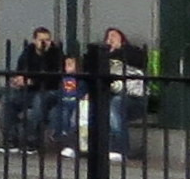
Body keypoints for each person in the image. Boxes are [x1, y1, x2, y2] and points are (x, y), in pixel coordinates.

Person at [0, 26, 64, 152]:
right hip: (29, 90)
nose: (44, 43)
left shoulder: (56, 54)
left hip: (49, 91)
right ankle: (11, 139)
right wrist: (18, 79)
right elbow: (21, 69)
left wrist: (32, 81)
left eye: (47, 40)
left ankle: (32, 140)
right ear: (34, 40)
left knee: (39, 101)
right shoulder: (28, 52)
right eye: (41, 40)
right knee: (8, 99)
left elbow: (54, 79)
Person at [97, 26, 147, 161]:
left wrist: (119, 50)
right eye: (108, 37)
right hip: (111, 95)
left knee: (115, 104)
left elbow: (139, 61)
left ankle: (119, 148)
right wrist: (108, 53)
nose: (111, 39)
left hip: (134, 98)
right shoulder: (103, 54)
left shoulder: (132, 51)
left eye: (114, 35)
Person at [51, 58, 88, 154]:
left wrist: (83, 96)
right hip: (64, 103)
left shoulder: (81, 79)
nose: (67, 67)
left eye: (70, 64)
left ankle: (71, 144)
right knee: (61, 114)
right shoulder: (63, 78)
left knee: (73, 119)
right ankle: (60, 135)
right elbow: (60, 92)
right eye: (66, 64)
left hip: (77, 103)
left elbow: (83, 91)